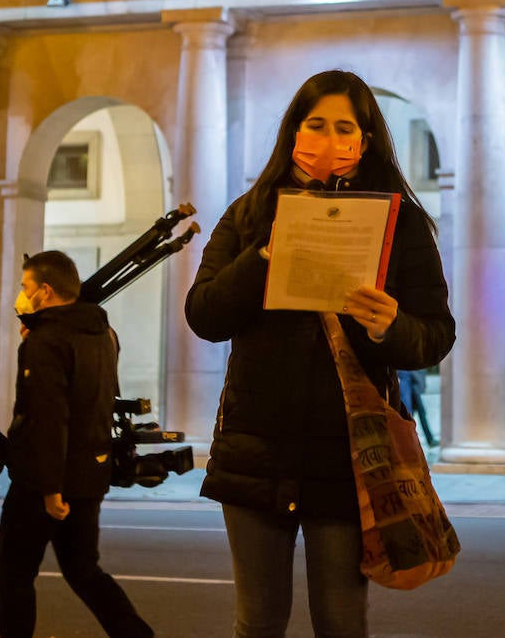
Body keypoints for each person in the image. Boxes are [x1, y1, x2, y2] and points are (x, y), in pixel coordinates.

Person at [186, 69, 455, 638]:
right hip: (255, 451)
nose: (328, 140)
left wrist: (391, 326)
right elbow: (204, 315)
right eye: (315, 125)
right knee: (258, 621)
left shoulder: (399, 222)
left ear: (366, 139)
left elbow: (436, 334)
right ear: (293, 132)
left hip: (350, 458)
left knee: (340, 622)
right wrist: (263, 255)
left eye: (343, 127)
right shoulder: (249, 212)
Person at [0, 250, 152, 638]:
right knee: (84, 571)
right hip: (89, 473)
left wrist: (50, 488)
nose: (21, 295)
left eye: (25, 287)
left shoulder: (47, 341)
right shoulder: (102, 333)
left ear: (45, 291)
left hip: (43, 480)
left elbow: (47, 417)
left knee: (14, 574)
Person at [397, 369, 437, 446]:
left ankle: (428, 439)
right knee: (410, 414)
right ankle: (410, 440)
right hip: (406, 383)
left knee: (419, 413)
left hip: (411, 385)